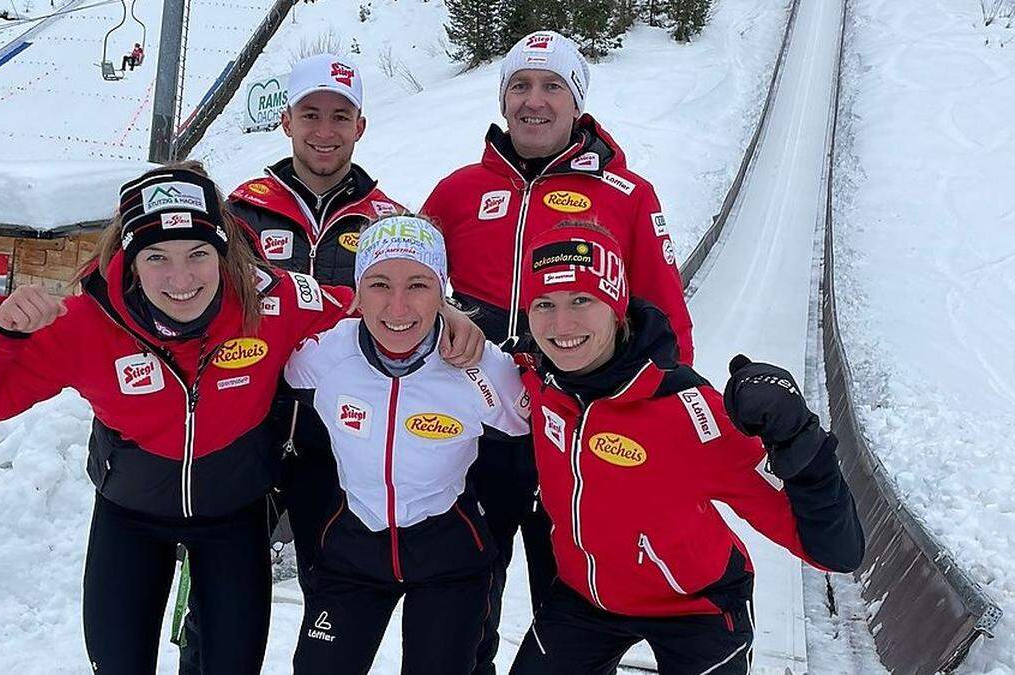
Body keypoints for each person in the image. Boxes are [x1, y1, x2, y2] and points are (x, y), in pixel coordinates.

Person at [0, 162, 357, 675]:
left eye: (198, 254)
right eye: (157, 258)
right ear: (131, 261)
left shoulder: (273, 302)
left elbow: (367, 314)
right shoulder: (86, 324)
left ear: (223, 252)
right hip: (130, 516)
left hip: (233, 514)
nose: (181, 279)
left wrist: (444, 320)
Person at [420, 30, 696, 673]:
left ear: (578, 103)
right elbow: (406, 289)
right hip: (475, 422)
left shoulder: (627, 194)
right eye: (520, 85)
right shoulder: (458, 190)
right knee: (464, 593)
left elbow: (666, 313)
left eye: (552, 86)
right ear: (502, 98)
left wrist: (672, 422)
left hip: (577, 429)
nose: (534, 101)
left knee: (572, 601)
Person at [508, 222, 865, 674]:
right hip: (586, 597)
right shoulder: (538, 379)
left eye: (583, 300)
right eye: (544, 304)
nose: (562, 326)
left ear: (617, 304)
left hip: (696, 608)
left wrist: (798, 437)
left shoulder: (690, 413)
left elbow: (837, 552)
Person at [178, 53, 417, 673]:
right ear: (286, 120)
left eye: (340, 116)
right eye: (310, 113)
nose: (324, 129)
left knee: (334, 599)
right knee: (219, 602)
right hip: (245, 430)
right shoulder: (238, 211)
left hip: (338, 441)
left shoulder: (387, 221)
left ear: (360, 126)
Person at [285, 215, 529, 674]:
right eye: (379, 284)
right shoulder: (322, 355)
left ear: (443, 292)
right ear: (356, 291)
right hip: (353, 549)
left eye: (418, 285)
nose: (397, 308)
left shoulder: (480, 367)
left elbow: (531, 426)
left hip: (448, 556)